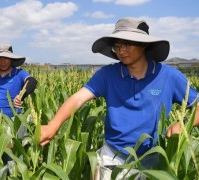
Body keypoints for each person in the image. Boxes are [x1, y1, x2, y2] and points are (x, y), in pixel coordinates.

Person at [39, 17, 199, 178]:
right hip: (113, 159)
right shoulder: (108, 75)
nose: (121, 50)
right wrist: (53, 125)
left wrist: (183, 124)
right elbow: (78, 98)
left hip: (155, 162)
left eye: (127, 44)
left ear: (144, 44)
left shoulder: (169, 76)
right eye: (117, 46)